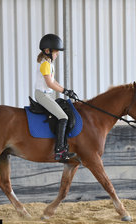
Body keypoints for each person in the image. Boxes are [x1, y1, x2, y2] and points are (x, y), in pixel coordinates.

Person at [35, 33, 78, 163]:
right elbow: (50, 84)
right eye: (56, 51)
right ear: (47, 51)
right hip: (42, 95)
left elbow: (55, 81)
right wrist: (64, 91)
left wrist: (67, 91)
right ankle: (60, 150)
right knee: (63, 117)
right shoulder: (45, 64)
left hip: (47, 94)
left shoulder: (49, 64)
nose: (57, 54)